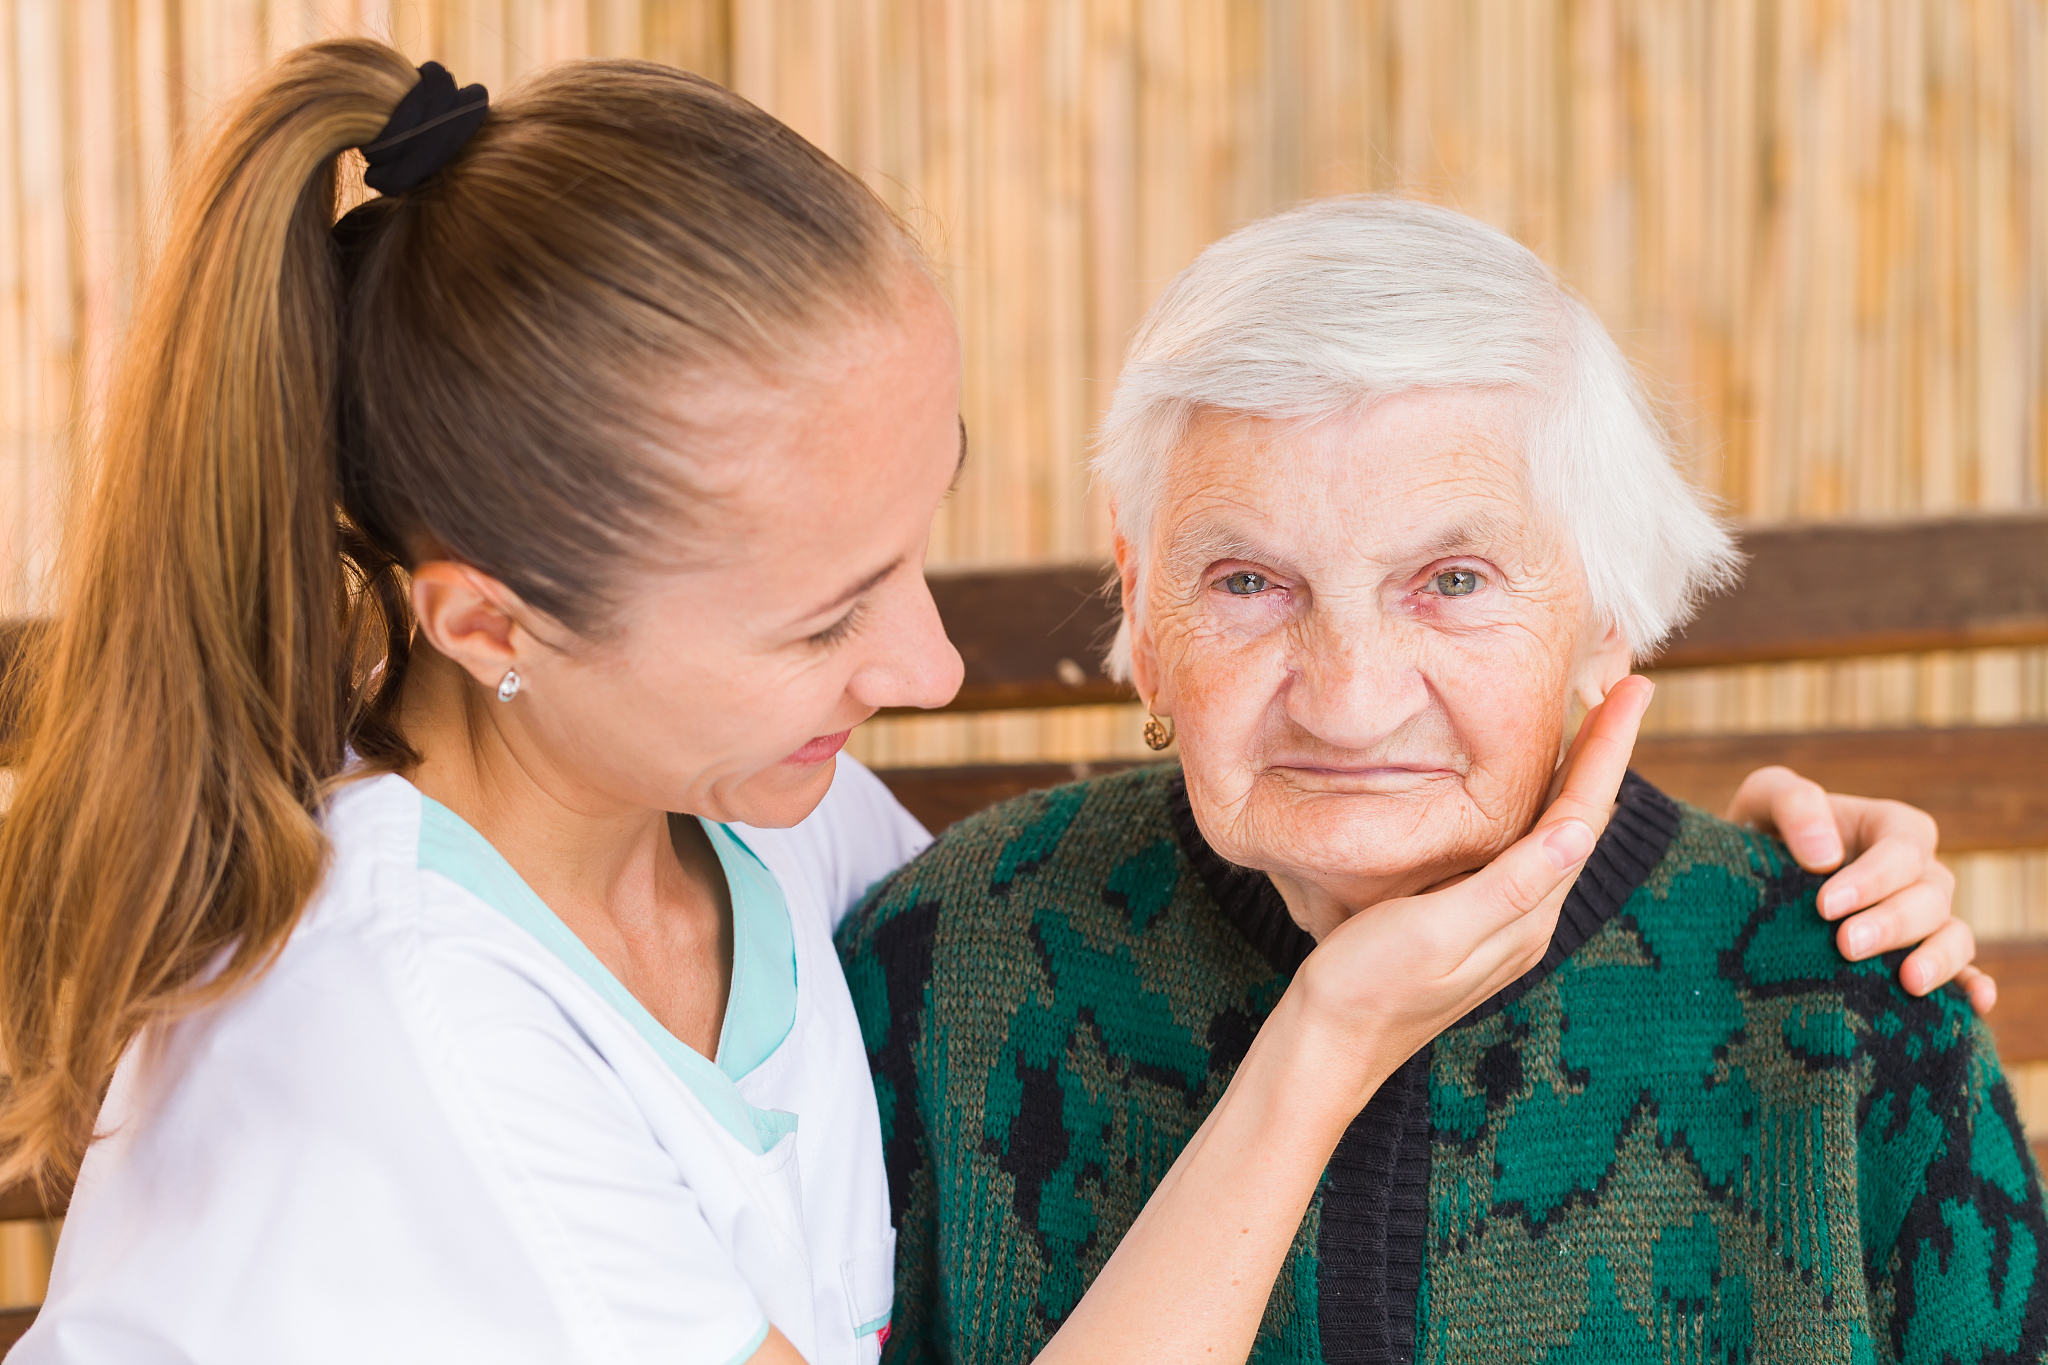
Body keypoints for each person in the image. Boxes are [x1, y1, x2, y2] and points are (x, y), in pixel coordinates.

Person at [0, 44, 1983, 1365]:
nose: (933, 667)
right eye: (823, 618)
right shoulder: (404, 1029)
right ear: (493, 625)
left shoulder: (771, 832)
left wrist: (1743, 876)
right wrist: (1329, 1037)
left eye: (919, 537)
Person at [837, 197, 2046, 1365]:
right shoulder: (947, 957)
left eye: (1453, 581)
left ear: (1603, 613)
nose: (1349, 701)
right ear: (1143, 612)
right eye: (1246, 583)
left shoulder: (1842, 998)